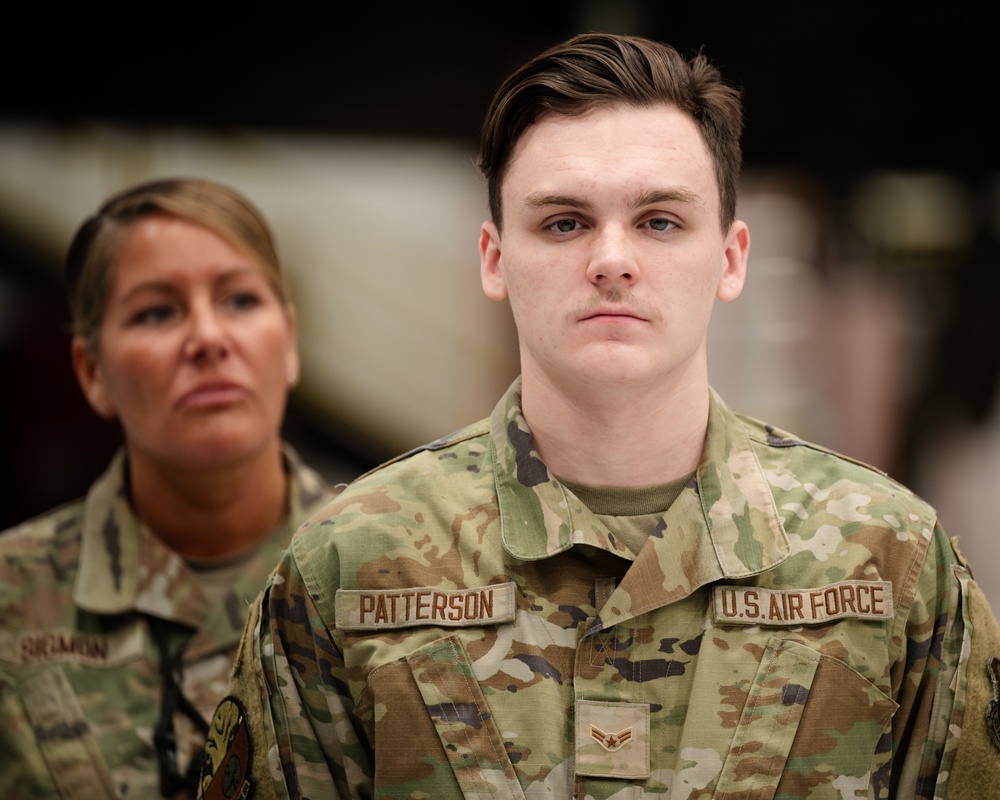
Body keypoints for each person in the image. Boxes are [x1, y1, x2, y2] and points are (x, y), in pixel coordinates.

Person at [198, 34, 1000, 799]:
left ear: (730, 258)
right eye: (564, 222)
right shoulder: (351, 567)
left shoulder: (889, 562)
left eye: (660, 221)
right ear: (494, 258)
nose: (612, 258)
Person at [0, 177, 338, 799]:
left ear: (288, 343)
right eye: (157, 311)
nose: (209, 338)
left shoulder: (392, 570)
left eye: (239, 300)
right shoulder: (10, 597)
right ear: (93, 371)